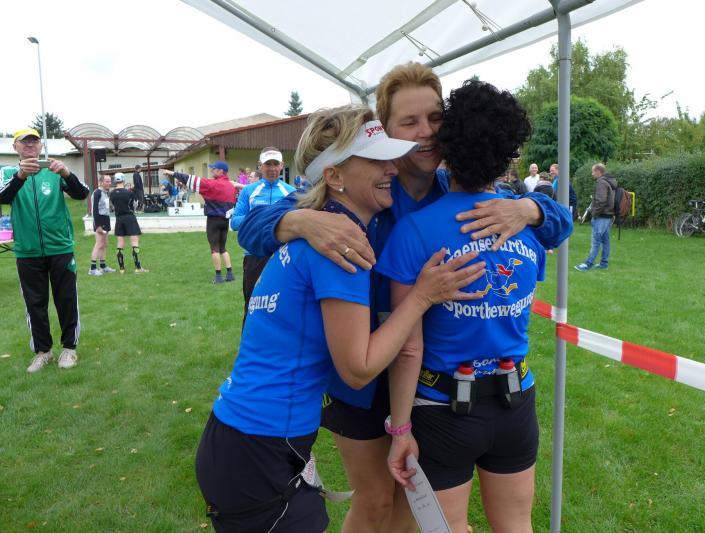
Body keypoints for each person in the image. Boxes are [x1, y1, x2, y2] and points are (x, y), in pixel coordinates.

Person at [238, 62, 572, 533]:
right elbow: (251, 229)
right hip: (361, 377)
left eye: (435, 118)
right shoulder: (361, 188)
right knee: (376, 500)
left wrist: (530, 207)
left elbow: (559, 223)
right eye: (409, 122)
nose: (426, 132)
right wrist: (301, 221)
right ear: (385, 131)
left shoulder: (457, 192)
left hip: (425, 380)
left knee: (411, 507)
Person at [195, 104, 486, 533]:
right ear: (333, 176)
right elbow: (358, 368)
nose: (392, 169)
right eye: (376, 161)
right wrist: (423, 296)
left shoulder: (321, 233)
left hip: (243, 437)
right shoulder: (341, 245)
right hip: (259, 449)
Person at [379, 80, 564, 533]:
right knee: (517, 525)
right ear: (507, 154)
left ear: (447, 144)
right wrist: (528, 210)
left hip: (442, 407)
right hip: (515, 400)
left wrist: (400, 430)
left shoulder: (414, 231)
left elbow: (408, 347)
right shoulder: (523, 225)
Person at [0, 128, 90, 372]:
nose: (30, 145)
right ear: (15, 147)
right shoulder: (7, 173)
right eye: (24, 142)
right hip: (27, 251)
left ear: (41, 146)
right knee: (34, 304)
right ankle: (43, 352)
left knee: (66, 300)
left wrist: (66, 173)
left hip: (60, 247)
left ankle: (69, 349)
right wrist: (20, 176)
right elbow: (2, 197)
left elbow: (82, 193)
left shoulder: (54, 169)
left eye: (34, 141)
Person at [231, 147, 296, 318]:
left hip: (283, 256)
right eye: (268, 164)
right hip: (254, 256)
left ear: (281, 165)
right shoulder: (249, 191)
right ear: (260, 166)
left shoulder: (291, 192)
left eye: (275, 164)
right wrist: (266, 218)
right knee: (252, 306)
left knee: (283, 306)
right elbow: (235, 222)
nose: (272, 168)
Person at [165, 162, 237, 284]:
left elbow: (190, 179)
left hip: (213, 220)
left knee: (214, 249)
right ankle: (230, 274)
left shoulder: (211, 184)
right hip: (225, 221)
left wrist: (172, 173)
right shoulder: (231, 186)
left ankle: (218, 276)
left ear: (221, 171)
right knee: (223, 248)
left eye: (214, 169)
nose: (212, 170)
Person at [575, 163, 616, 271]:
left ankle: (588, 264)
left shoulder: (601, 182)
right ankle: (604, 264)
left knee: (595, 241)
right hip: (608, 215)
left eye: (593, 171)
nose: (592, 174)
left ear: (598, 171)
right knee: (605, 241)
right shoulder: (609, 181)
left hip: (601, 216)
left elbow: (601, 200)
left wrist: (595, 213)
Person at [109, 173, 147, 274]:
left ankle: (121, 269)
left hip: (119, 219)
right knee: (134, 242)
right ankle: (138, 268)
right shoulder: (129, 193)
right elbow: (135, 205)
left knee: (120, 243)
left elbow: (113, 206)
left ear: (115, 181)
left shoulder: (111, 194)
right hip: (130, 218)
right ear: (123, 180)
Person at [89, 174, 116, 276]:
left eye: (110, 181)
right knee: (99, 244)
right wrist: (98, 226)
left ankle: (103, 266)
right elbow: (94, 210)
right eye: (107, 181)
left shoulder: (106, 193)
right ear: (101, 182)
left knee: (104, 244)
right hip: (99, 220)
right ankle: (92, 269)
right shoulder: (97, 193)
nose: (109, 183)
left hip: (106, 219)